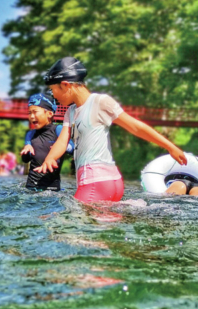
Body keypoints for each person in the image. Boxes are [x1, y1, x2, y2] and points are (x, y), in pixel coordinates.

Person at [35, 57, 186, 203]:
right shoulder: (71, 112)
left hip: (95, 183)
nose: (53, 95)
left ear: (66, 85)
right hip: (106, 183)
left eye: (53, 89)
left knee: (65, 224)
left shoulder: (100, 102)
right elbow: (62, 141)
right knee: (102, 225)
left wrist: (170, 147)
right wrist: (50, 158)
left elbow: (135, 127)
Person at [21, 93, 74, 191]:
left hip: (52, 187)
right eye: (29, 113)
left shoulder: (58, 130)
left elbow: (72, 149)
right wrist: (27, 149)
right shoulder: (30, 134)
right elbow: (25, 160)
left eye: (35, 112)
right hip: (31, 186)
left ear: (49, 114)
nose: (31, 116)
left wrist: (61, 147)